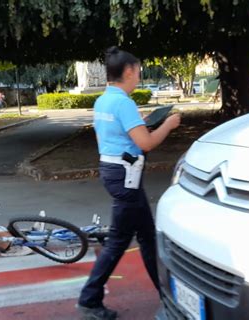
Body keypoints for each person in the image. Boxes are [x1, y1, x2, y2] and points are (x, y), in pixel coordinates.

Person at [76, 47, 181, 319]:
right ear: (129, 71)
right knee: (120, 241)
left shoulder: (103, 101)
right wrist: (168, 125)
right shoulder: (123, 102)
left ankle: (166, 295)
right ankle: (89, 300)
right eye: (138, 73)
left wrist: (143, 124)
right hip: (126, 177)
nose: (139, 78)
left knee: (146, 236)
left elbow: (106, 139)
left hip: (114, 172)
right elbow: (146, 143)